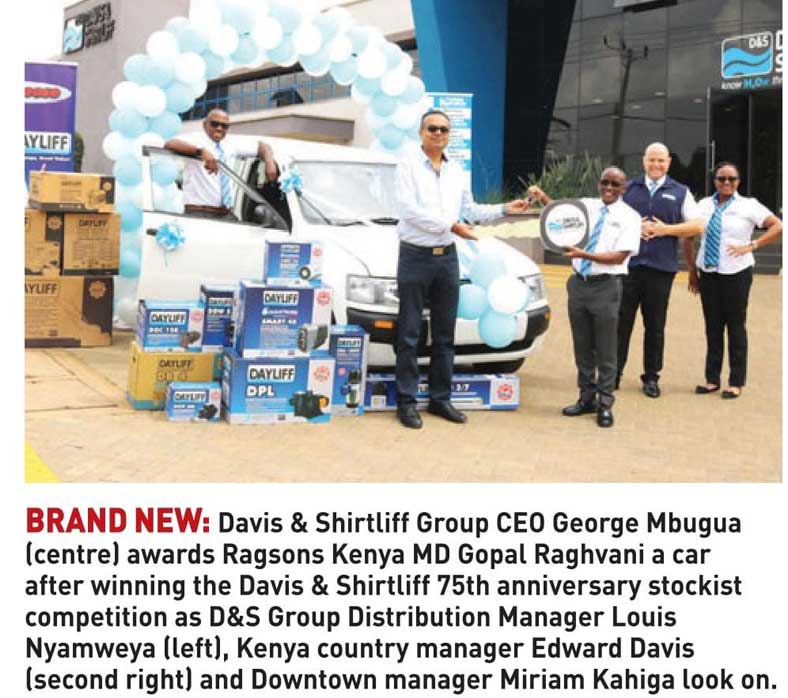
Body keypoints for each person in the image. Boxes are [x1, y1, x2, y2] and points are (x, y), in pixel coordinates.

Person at [393, 110, 529, 429]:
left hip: (447, 259)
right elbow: (408, 210)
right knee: (409, 333)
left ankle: (440, 399)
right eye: (432, 128)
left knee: (445, 334)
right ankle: (406, 403)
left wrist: (505, 208)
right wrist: (452, 226)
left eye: (444, 129)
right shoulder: (407, 165)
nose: (438, 134)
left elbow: (469, 209)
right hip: (415, 256)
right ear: (421, 132)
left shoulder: (456, 170)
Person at [645, 162, 782, 399]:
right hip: (708, 272)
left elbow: (777, 226)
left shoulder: (749, 205)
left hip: (736, 272)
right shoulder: (703, 206)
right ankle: (712, 379)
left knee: (735, 326)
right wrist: (691, 270)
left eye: (731, 179)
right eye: (721, 179)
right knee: (712, 326)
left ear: (738, 181)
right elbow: (688, 236)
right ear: (714, 180)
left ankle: (736, 381)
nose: (726, 183)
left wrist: (752, 245)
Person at [528, 168, 641, 427]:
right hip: (579, 284)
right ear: (599, 183)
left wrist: (584, 255)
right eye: (605, 182)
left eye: (615, 184)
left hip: (606, 286)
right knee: (582, 346)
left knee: (606, 349)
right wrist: (542, 196)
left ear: (624, 188)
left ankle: (605, 403)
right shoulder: (586, 206)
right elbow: (559, 214)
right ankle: (586, 397)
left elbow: (620, 256)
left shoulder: (630, 217)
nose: (609, 187)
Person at [617, 142, 703, 398]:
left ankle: (651, 377)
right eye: (652, 160)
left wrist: (666, 230)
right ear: (644, 161)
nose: (656, 164)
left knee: (655, 327)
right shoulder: (628, 188)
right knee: (620, 324)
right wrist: (635, 228)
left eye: (661, 160)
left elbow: (697, 225)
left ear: (669, 162)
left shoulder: (680, 192)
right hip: (627, 268)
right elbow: (610, 220)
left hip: (660, 270)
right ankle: (613, 374)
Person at [164, 108, 277, 220]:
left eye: (224, 126)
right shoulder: (196, 139)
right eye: (214, 124)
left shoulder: (230, 144)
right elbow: (170, 143)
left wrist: (269, 162)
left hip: (226, 213)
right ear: (205, 125)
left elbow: (263, 146)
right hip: (199, 212)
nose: (219, 128)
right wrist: (200, 151)